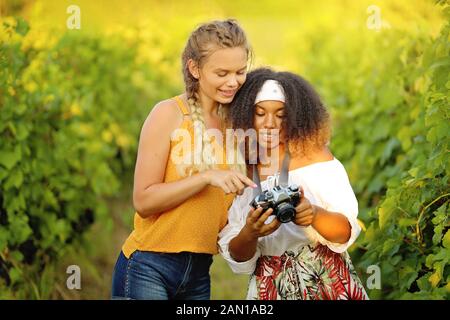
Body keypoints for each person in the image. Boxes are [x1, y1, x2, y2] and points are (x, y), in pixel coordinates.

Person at [111, 19, 256, 300]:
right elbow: (143, 201)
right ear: (195, 68)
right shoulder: (169, 114)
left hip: (199, 274)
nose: (232, 81)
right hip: (148, 267)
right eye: (222, 72)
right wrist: (204, 177)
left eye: (240, 72)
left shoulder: (238, 124)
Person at [218, 68, 368, 300]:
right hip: (271, 288)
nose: (270, 123)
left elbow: (344, 233)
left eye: (281, 115)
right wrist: (250, 232)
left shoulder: (316, 159)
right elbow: (238, 256)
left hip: (326, 280)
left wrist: (314, 215)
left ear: (297, 116)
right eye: (260, 114)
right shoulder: (242, 171)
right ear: (246, 117)